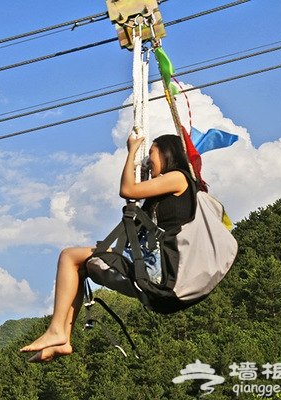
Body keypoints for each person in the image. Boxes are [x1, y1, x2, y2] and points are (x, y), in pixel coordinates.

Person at [19, 133, 195, 362]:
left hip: (155, 268)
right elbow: (135, 204)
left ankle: (57, 331)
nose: (148, 159)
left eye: (151, 152)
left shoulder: (179, 178)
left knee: (68, 256)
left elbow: (127, 190)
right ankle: (63, 340)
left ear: (166, 152)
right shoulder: (170, 187)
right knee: (78, 265)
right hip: (151, 261)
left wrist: (132, 151)